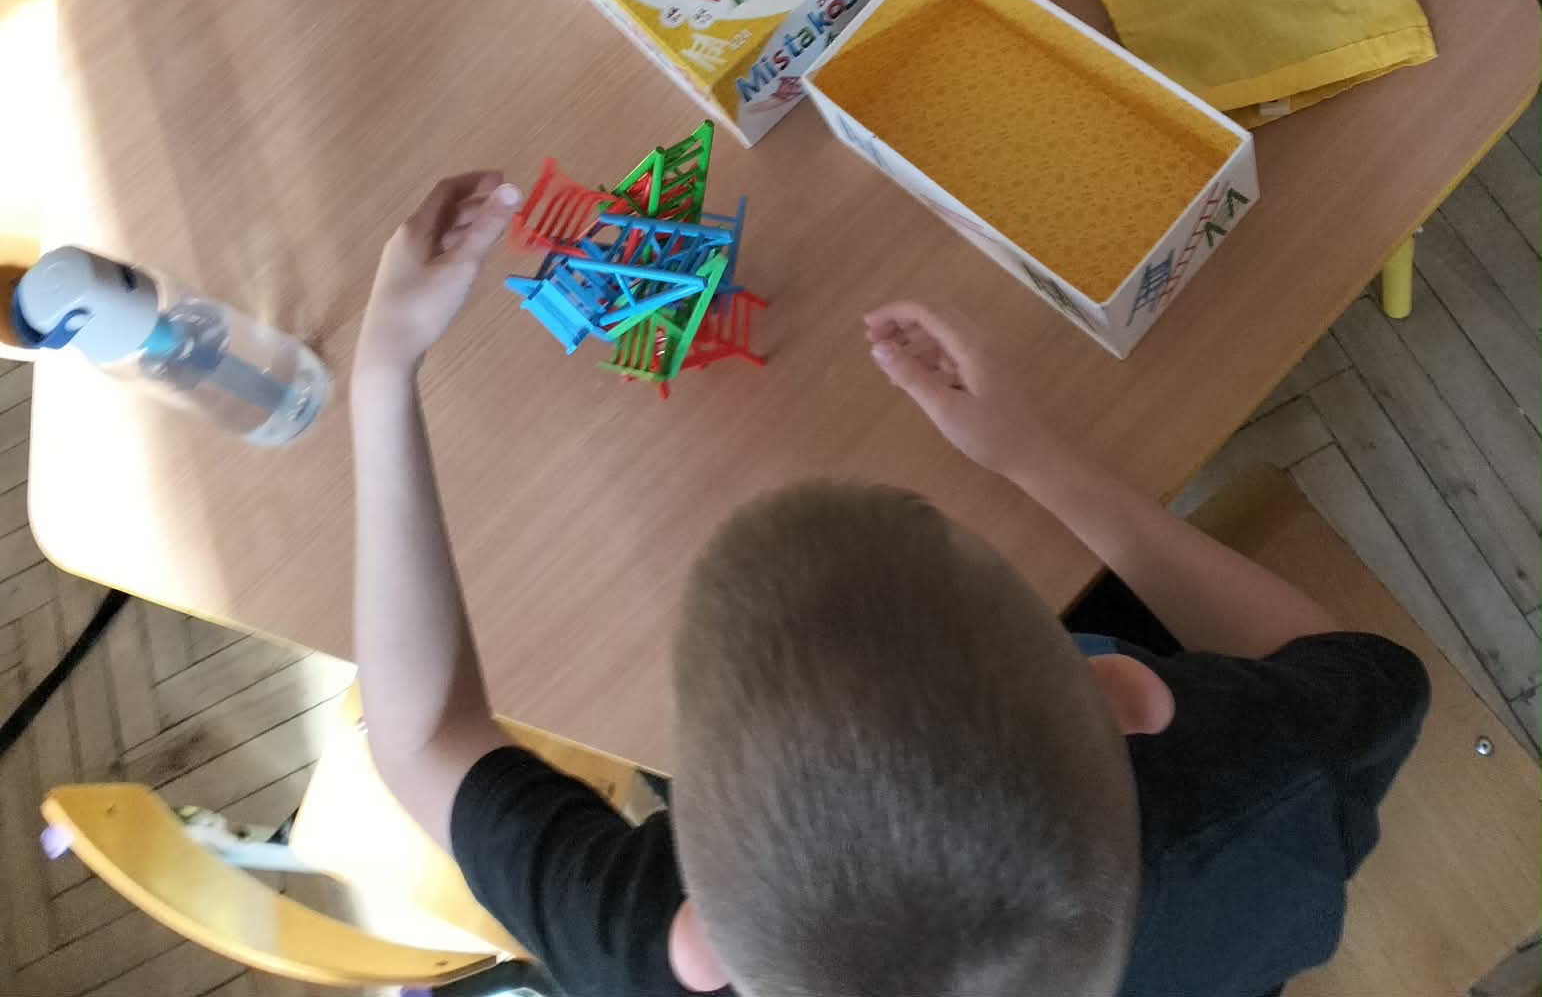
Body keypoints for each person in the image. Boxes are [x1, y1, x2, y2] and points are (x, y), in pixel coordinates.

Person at [352, 171, 1429, 997]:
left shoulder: (643, 960)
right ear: (1127, 692)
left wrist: (383, 369)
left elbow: (417, 735)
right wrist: (1036, 459)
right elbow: (1339, 661)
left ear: (701, 943)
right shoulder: (1272, 776)